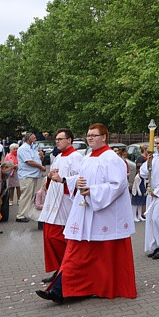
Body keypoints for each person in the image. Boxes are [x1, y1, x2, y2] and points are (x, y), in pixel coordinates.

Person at [36, 123, 136, 304]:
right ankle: (63, 289)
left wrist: (93, 191)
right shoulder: (89, 156)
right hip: (86, 212)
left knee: (81, 254)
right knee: (76, 253)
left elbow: (118, 185)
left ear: (104, 137)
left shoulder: (111, 158)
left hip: (102, 215)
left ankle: (62, 290)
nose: (90, 138)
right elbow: (82, 178)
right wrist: (65, 180)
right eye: (88, 135)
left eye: (94, 135)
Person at [38, 129, 84, 283]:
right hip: (53, 201)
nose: (57, 142)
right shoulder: (58, 157)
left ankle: (67, 270)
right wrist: (50, 178)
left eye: (60, 139)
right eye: (56, 139)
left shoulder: (76, 157)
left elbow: (80, 179)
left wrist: (63, 179)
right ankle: (59, 269)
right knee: (49, 235)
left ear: (69, 140)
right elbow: (52, 175)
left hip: (66, 202)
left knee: (59, 237)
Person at [15, 132, 45, 223]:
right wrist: (41, 167)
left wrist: (41, 156)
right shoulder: (24, 149)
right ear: (28, 139)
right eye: (34, 137)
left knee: (31, 196)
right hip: (27, 175)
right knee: (26, 195)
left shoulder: (33, 148)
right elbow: (29, 162)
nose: (35, 139)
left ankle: (27, 213)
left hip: (33, 175)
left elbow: (37, 160)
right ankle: (20, 215)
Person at [131, 144, 148, 221]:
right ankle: (134, 215)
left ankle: (140, 215)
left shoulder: (146, 158)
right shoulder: (140, 158)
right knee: (136, 202)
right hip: (137, 188)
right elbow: (136, 185)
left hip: (143, 185)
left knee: (141, 201)